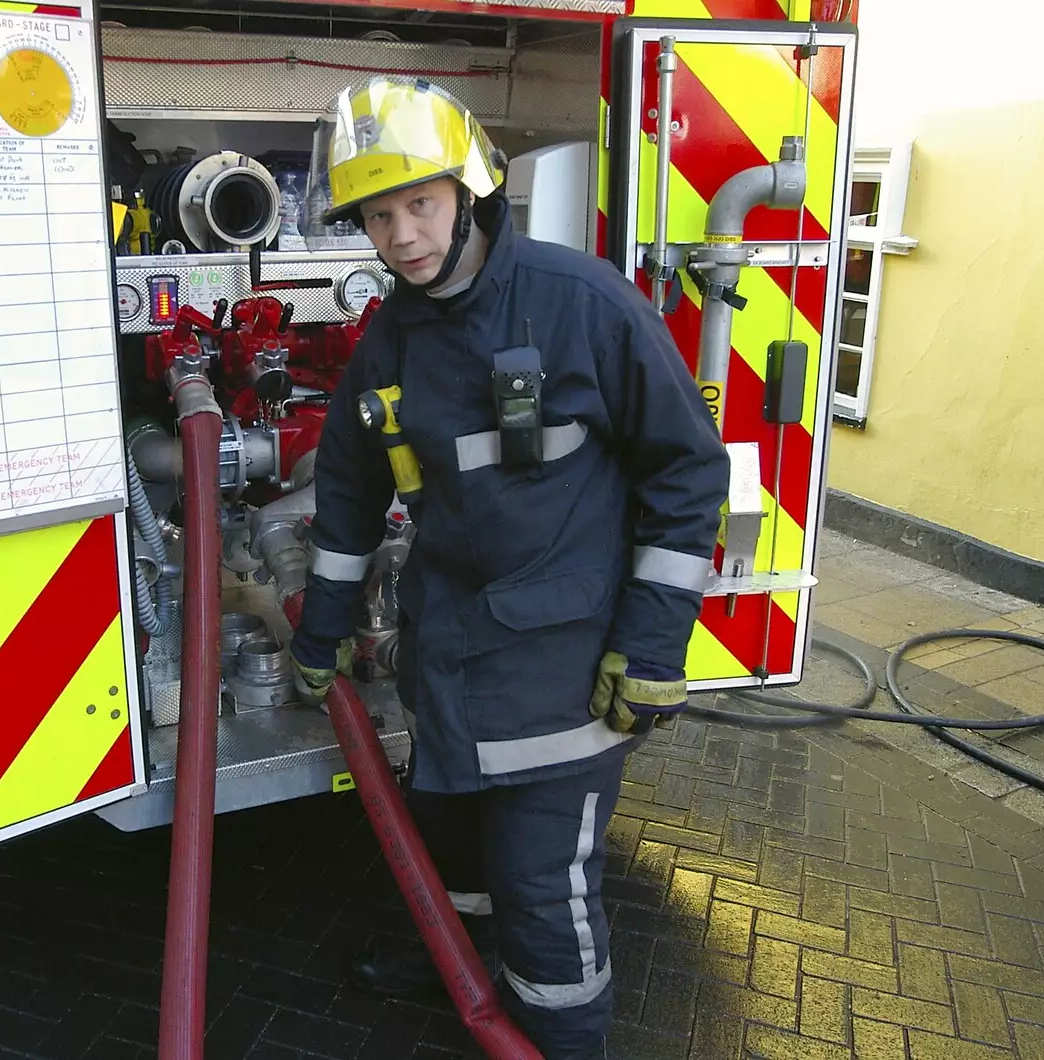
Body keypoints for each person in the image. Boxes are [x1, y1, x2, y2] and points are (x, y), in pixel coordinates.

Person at [288, 78, 730, 1060]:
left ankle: (564, 1037)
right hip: (451, 662)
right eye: (375, 213)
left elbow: (687, 469)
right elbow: (351, 504)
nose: (398, 234)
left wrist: (653, 643)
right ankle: (453, 955)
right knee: (444, 836)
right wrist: (319, 635)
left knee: (539, 883)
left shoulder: (582, 306)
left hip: (559, 677)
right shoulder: (387, 346)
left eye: (418, 202)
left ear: (471, 189)